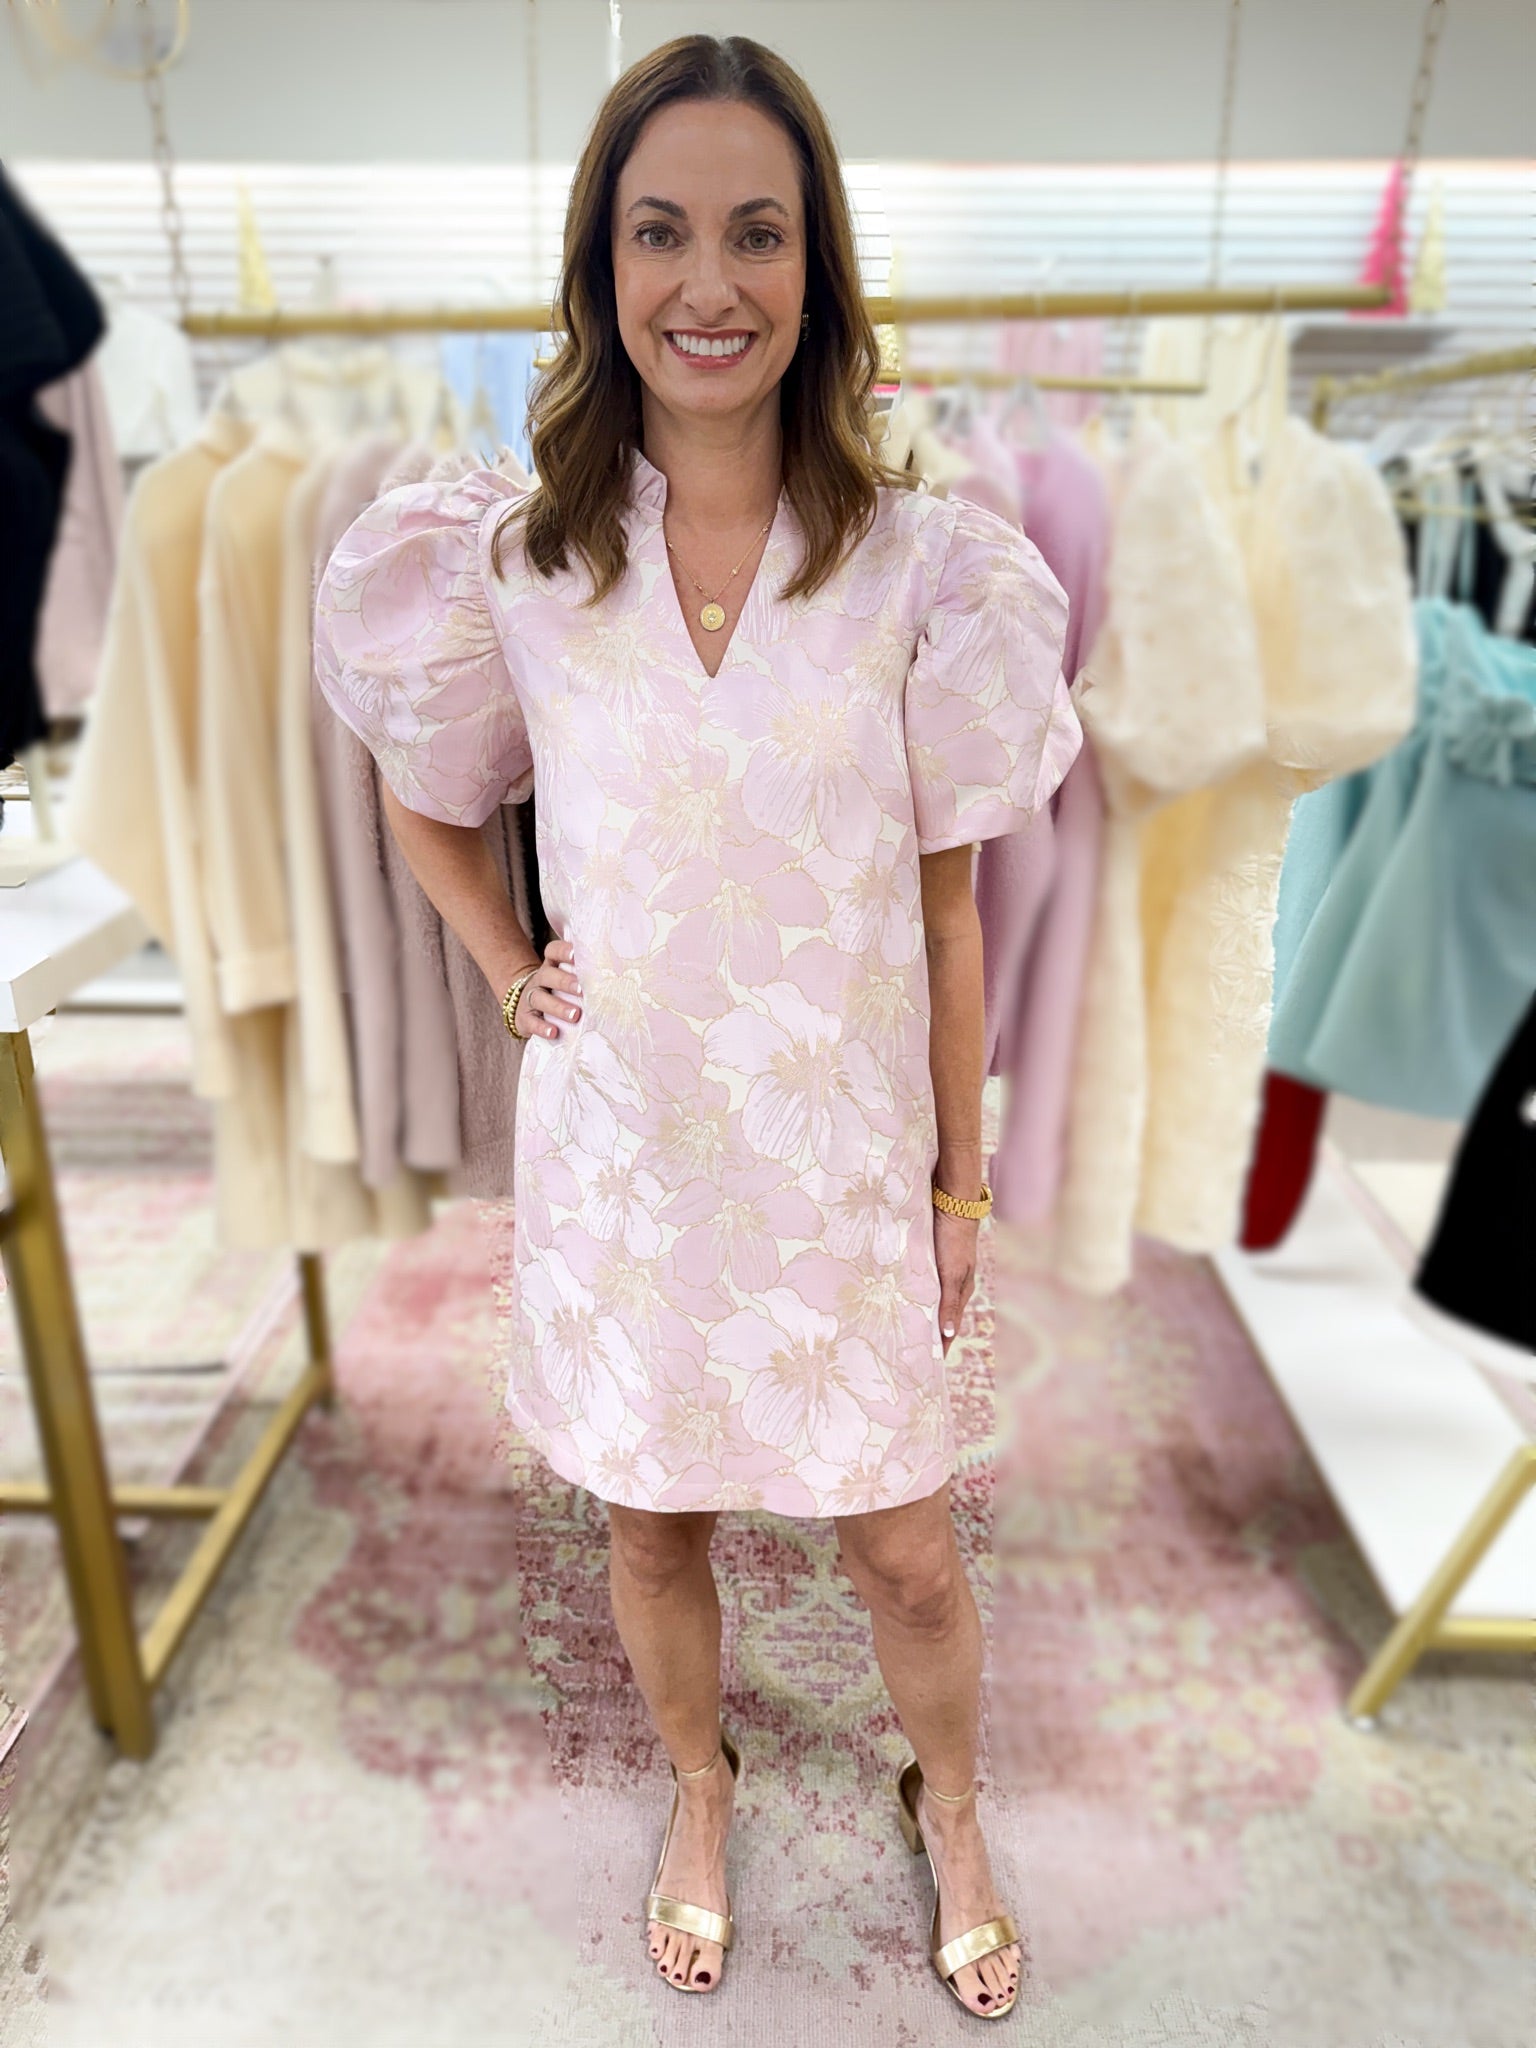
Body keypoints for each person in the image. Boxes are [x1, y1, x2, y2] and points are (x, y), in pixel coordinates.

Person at [314, 33, 1080, 2022]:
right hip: (631, 1159)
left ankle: (955, 1806)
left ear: (818, 267)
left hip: (840, 1163)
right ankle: (701, 1783)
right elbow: (424, 794)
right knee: (653, 1527)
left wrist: (964, 1183)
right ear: (603, 265)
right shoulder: (517, 564)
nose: (708, 282)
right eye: (660, 232)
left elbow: (948, 909)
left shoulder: (923, 570)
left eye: (758, 231)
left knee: (904, 1550)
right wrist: (508, 963)